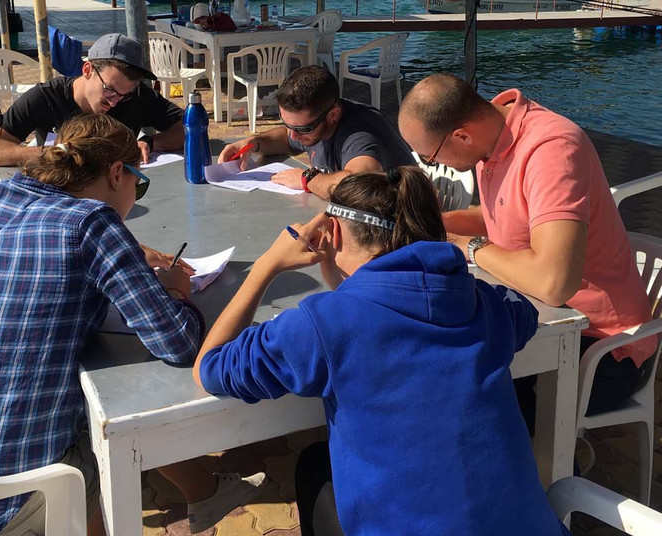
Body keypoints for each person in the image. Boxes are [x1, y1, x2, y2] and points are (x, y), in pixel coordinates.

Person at [0, 115, 263, 536]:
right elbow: (178, 341)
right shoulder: (91, 222)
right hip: (3, 506)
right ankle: (198, 493)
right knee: (102, 427)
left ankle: (203, 491)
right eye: (138, 183)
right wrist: (176, 289)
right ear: (116, 173)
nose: (135, 194)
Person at [194, 168, 568, 536]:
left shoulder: (324, 324)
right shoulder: (482, 305)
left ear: (334, 231)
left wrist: (266, 266)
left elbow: (210, 369)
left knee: (313, 465)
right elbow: (523, 311)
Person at [397, 73, 657, 419]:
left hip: (603, 348)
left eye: (430, 157)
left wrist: (470, 246)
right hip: (543, 318)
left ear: (461, 135)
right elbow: (505, 215)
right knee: (435, 354)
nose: (434, 165)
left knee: (459, 391)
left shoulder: (551, 151)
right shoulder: (490, 141)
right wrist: (434, 224)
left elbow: (553, 283)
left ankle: (552, 466)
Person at [0, 32, 183, 168]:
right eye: (109, 91)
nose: (114, 102)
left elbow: (189, 128)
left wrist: (150, 142)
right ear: (87, 70)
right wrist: (49, 153)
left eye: (124, 95)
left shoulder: (136, 96)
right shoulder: (46, 97)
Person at [217, 65, 414, 199]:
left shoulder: (359, 133)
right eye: (288, 124)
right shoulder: (313, 125)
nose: (294, 135)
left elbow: (360, 183)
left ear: (333, 115)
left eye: (302, 129)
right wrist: (251, 144)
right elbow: (286, 140)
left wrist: (308, 179)